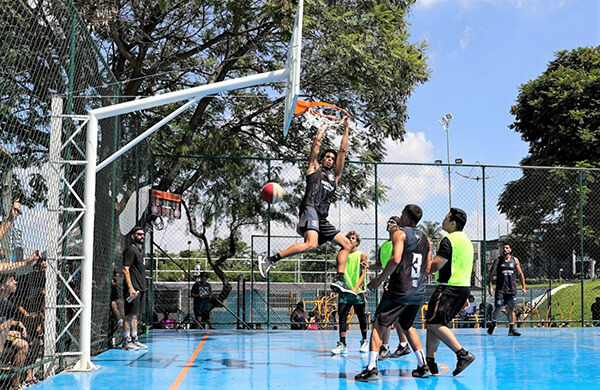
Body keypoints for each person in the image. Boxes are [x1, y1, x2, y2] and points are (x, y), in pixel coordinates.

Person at [258, 118, 356, 295]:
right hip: (310, 209)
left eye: (332, 159)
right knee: (311, 244)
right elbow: (315, 146)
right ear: (322, 159)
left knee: (347, 244)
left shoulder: (335, 177)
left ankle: (339, 279)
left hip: (322, 216)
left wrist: (346, 128)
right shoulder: (314, 169)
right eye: (327, 157)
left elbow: (343, 150)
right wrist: (323, 128)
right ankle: (270, 260)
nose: (330, 159)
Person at [355, 205, 431, 382]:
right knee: (407, 326)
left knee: (379, 324)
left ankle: (371, 368)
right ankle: (422, 366)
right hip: (418, 291)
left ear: (405, 216)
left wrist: (379, 280)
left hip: (400, 289)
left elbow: (396, 259)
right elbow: (427, 267)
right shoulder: (426, 239)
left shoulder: (400, 233)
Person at [425, 208, 476, 377]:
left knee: (434, 324)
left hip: (448, 287)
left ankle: (462, 354)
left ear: (453, 223)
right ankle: (430, 363)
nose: (443, 220)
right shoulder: (467, 241)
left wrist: (427, 252)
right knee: (435, 323)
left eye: (446, 218)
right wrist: (466, 296)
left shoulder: (449, 240)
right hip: (462, 288)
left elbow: (434, 266)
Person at [368, 217, 411, 360]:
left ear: (399, 227)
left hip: (397, 282)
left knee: (384, 316)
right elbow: (381, 263)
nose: (389, 224)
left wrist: (389, 279)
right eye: (388, 222)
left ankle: (384, 347)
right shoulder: (384, 246)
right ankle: (404, 345)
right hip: (390, 281)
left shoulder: (399, 242)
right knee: (396, 317)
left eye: (392, 222)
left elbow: (397, 262)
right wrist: (369, 266)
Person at [331, 231, 369, 355]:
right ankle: (342, 344)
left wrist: (355, 288)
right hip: (344, 291)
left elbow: (363, 274)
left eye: (353, 238)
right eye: (349, 238)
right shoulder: (342, 254)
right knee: (342, 317)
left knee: (361, 316)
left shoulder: (361, 255)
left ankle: (364, 341)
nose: (351, 240)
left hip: (357, 291)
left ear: (357, 242)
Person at [487, 242, 527, 336]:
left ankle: (511, 329)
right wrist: (490, 286)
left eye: (507, 248)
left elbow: (520, 274)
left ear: (510, 250)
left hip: (511, 289)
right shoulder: (498, 260)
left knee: (511, 308)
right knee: (498, 307)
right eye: (504, 248)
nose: (505, 249)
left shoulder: (515, 260)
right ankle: (493, 323)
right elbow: (491, 273)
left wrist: (523, 287)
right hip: (501, 289)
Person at [0, 274, 30, 389]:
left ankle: (15, 384)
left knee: (24, 344)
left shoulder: (9, 305)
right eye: (11, 280)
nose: (15, 282)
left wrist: (17, 325)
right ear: (2, 286)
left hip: (3, 339)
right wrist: (8, 333)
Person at [122, 226, 148, 350]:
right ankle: (126, 340)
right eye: (139, 234)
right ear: (133, 236)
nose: (142, 236)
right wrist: (130, 288)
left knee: (135, 315)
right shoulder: (130, 251)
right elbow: (125, 269)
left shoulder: (139, 252)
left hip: (140, 288)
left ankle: (134, 338)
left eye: (143, 234)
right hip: (133, 288)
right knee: (129, 314)